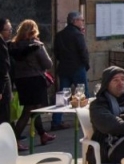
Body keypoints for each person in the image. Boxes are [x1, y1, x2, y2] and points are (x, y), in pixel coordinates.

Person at [9, 20, 55, 148]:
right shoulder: (36, 45)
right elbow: (48, 64)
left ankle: (42, 134)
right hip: (35, 79)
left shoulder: (13, 46)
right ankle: (14, 140)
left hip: (21, 81)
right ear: (34, 31)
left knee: (34, 108)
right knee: (28, 110)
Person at [51, 11, 90, 131]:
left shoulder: (60, 35)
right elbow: (83, 51)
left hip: (64, 67)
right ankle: (86, 119)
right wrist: (86, 65)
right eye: (81, 20)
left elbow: (56, 52)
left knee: (62, 95)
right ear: (75, 21)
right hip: (77, 67)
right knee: (82, 95)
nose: (82, 22)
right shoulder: (78, 35)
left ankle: (56, 121)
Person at [0, 18, 13, 138]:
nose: (10, 32)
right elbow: (3, 68)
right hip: (2, 87)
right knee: (3, 119)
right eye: (7, 30)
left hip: (2, 87)